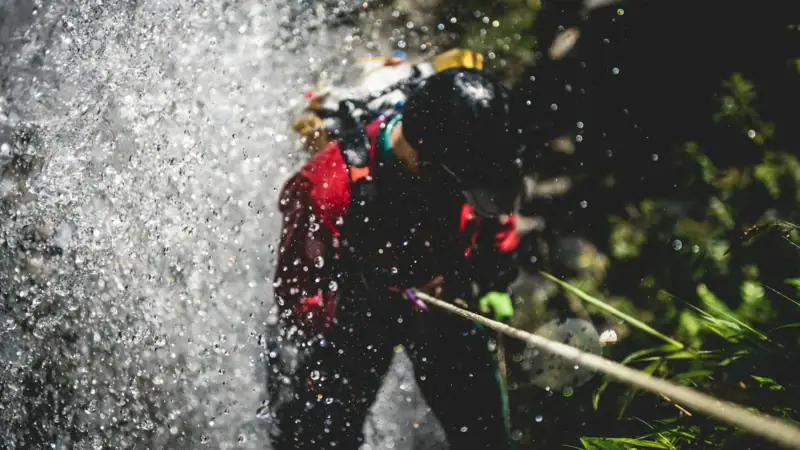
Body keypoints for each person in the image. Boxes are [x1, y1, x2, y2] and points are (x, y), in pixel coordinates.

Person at [264, 67, 524, 450]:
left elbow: (495, 215)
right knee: (320, 440)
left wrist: (496, 282)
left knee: (484, 438)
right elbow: (298, 294)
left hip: (444, 300)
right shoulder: (327, 188)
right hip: (354, 315)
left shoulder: (471, 161)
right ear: (421, 158)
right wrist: (372, 294)